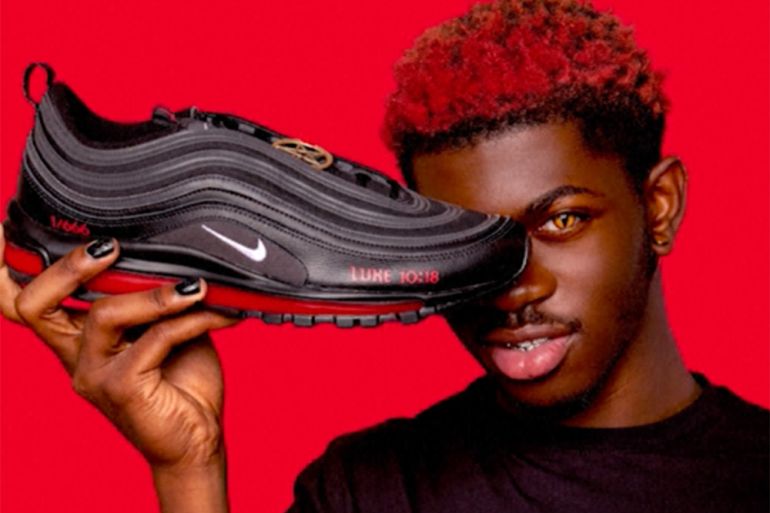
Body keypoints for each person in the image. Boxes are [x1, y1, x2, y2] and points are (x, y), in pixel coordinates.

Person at [1, 0, 767, 512]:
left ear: (658, 207)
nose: (514, 287)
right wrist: (189, 470)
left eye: (561, 221)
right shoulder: (370, 488)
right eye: (464, 239)